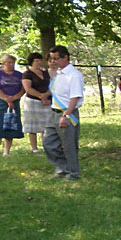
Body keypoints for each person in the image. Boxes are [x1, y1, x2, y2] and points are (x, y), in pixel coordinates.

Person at [44, 45, 83, 180]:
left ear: (65, 57)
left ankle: (74, 173)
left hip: (67, 113)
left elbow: (74, 97)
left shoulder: (74, 75)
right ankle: (63, 167)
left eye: (56, 59)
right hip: (53, 112)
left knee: (68, 145)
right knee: (48, 143)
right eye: (51, 59)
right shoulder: (59, 73)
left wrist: (66, 116)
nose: (53, 61)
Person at [0, 54, 25, 156]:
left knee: (10, 126)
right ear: (3, 63)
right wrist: (6, 99)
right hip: (0, 101)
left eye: (13, 62)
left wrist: (14, 98)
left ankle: (6, 152)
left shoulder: (19, 75)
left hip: (15, 102)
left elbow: (23, 89)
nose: (11, 64)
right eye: (9, 62)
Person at [21, 52, 54, 153]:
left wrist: (46, 95)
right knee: (33, 126)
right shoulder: (27, 74)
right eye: (36, 61)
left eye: (40, 60)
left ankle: (46, 146)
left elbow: (52, 85)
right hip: (32, 102)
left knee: (47, 125)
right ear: (31, 62)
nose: (39, 62)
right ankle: (34, 148)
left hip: (46, 101)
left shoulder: (46, 73)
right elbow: (28, 88)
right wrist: (41, 96)